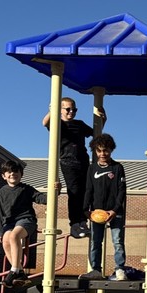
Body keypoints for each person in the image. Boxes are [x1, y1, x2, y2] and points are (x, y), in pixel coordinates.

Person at [42, 97, 103, 239]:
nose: (71, 112)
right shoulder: (58, 124)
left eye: (74, 109)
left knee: (86, 191)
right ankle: (75, 224)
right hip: (68, 162)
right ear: (60, 110)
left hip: (83, 161)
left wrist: (102, 119)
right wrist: (52, 109)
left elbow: (95, 133)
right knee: (74, 192)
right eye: (67, 109)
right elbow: (44, 122)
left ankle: (83, 221)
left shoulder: (79, 124)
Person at [82, 133, 127, 281]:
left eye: (106, 150)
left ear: (111, 150)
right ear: (95, 151)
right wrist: (86, 210)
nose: (102, 154)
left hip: (115, 212)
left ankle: (120, 269)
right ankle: (95, 269)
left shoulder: (118, 168)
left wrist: (114, 209)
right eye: (99, 150)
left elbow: (122, 191)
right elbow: (88, 189)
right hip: (96, 212)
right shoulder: (92, 168)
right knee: (95, 241)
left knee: (118, 241)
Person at [0, 159, 47, 289]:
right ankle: (20, 273)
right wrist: (1, 232)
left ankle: (14, 271)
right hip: (9, 222)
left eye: (15, 171)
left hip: (26, 220)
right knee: (6, 240)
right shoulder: (2, 192)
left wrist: (54, 191)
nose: (12, 174)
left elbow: (41, 198)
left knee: (14, 236)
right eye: (9, 172)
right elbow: (0, 213)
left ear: (21, 174)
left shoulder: (26, 189)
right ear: (3, 176)